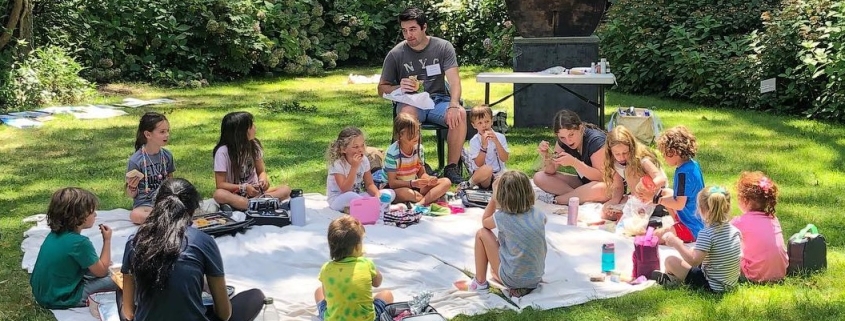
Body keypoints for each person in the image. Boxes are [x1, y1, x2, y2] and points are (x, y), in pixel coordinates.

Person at [121, 178, 265, 321]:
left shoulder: (135, 240)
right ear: (192, 210)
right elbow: (224, 314)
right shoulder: (203, 241)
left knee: (118, 294)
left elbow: (128, 312)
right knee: (255, 297)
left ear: (157, 207)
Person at [378, 6, 467, 184]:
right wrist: (399, 86)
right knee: (407, 117)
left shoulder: (442, 47)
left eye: (412, 29)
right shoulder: (396, 54)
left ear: (424, 27)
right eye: (404, 31)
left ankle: (451, 167)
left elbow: (455, 81)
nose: (408, 35)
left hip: (438, 100)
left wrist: (454, 104)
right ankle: (418, 165)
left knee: (460, 114)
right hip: (411, 102)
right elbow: (381, 89)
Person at [30, 187, 116, 308]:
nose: (96, 214)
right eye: (92, 211)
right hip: (61, 298)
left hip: (43, 294)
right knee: (117, 279)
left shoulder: (54, 234)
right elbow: (101, 272)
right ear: (78, 216)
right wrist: (107, 240)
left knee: (99, 269)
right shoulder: (80, 243)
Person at [469, 170, 546, 298]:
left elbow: (485, 223)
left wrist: (493, 198)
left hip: (512, 279)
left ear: (501, 196)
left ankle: (480, 282)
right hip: (536, 277)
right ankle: (523, 285)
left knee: (481, 234)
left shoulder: (503, 217)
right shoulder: (539, 213)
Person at [653, 186, 741, 292]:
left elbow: (693, 261)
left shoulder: (707, 234)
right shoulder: (735, 231)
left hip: (711, 286)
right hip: (730, 282)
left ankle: (672, 280)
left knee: (670, 261)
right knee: (691, 254)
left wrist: (676, 243)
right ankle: (673, 278)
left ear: (702, 210)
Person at [314, 215, 394, 321]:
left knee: (318, 291)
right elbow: (377, 283)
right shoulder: (366, 264)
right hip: (367, 319)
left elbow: (327, 296)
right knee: (386, 294)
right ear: (357, 247)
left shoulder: (326, 268)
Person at [212, 111, 291, 211]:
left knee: (286, 189)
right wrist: (243, 188)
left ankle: (249, 205)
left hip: (256, 193)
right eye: (251, 126)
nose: (255, 127)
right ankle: (263, 204)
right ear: (240, 132)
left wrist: (263, 181)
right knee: (219, 194)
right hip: (235, 193)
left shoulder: (254, 145)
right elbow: (220, 184)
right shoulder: (222, 152)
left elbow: (261, 171)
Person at [534, 110, 609, 204]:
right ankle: (578, 198)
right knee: (539, 177)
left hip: (604, 185)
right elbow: (551, 170)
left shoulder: (596, 141)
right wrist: (546, 155)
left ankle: (559, 200)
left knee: (601, 189)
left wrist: (574, 163)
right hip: (584, 183)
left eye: (571, 134)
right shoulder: (563, 142)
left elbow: (602, 177)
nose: (568, 141)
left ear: (580, 128)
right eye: (562, 137)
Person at [601, 125, 668, 221]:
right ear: (610, 151)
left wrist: (646, 187)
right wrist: (614, 201)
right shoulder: (614, 162)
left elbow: (661, 179)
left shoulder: (642, 160)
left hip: (654, 197)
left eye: (625, 153)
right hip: (636, 198)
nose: (622, 157)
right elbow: (618, 187)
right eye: (617, 154)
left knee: (630, 217)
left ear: (631, 148)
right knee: (607, 212)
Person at [731, 171, 788, 283]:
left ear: (744, 200)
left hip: (754, 275)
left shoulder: (740, 222)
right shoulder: (773, 219)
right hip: (781, 272)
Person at [384, 113, 451, 205]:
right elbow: (392, 183)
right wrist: (413, 183)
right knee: (407, 193)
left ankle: (421, 202)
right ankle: (429, 199)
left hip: (414, 185)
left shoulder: (419, 149)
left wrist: (429, 179)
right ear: (400, 135)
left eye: (417, 132)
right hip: (395, 189)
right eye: (411, 133)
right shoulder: (392, 153)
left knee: (446, 182)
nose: (416, 136)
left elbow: (421, 172)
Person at [655, 125, 706, 242]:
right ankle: (677, 222)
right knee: (665, 192)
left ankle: (678, 226)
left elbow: (679, 204)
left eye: (664, 154)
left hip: (692, 228)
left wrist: (658, 201)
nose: (664, 158)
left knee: (655, 237)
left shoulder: (683, 174)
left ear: (674, 152)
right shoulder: (693, 165)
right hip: (698, 219)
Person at [126, 112, 175, 224]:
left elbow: (171, 182)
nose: (167, 135)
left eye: (168, 131)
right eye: (162, 132)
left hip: (164, 201)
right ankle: (165, 218)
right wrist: (132, 187)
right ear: (148, 134)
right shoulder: (136, 160)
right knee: (135, 215)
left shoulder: (167, 156)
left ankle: (163, 218)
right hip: (145, 205)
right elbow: (131, 194)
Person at [325, 127, 390, 211]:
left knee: (388, 193)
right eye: (355, 147)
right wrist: (354, 167)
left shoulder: (364, 160)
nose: (360, 150)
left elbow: (369, 184)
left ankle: (372, 204)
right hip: (338, 199)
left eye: (362, 145)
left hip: (357, 196)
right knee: (351, 195)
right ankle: (374, 206)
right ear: (343, 149)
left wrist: (377, 195)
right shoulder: (338, 164)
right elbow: (345, 189)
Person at [462, 105, 509, 190]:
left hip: (499, 174)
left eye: (487, 121)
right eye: (480, 123)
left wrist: (496, 142)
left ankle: (496, 189)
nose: (484, 125)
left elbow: (505, 158)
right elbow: (478, 164)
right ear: (474, 125)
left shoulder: (500, 137)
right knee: (487, 169)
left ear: (491, 121)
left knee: (510, 177)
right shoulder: (474, 141)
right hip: (483, 176)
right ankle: (468, 184)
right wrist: (484, 146)